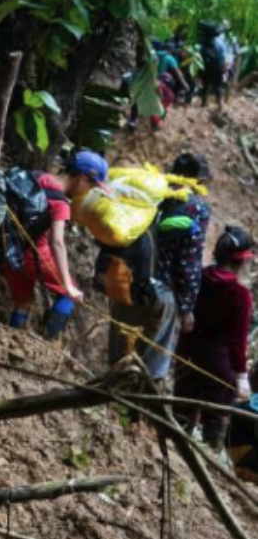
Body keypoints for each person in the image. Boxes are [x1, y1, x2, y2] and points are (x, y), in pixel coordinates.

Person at [72, 150, 179, 383]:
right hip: (144, 291)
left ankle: (119, 389)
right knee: (144, 353)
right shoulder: (141, 214)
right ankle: (132, 398)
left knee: (121, 345)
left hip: (123, 286)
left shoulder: (127, 216)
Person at [176, 226, 254, 454]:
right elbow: (238, 342)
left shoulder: (198, 276)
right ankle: (210, 460)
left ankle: (173, 451)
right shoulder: (240, 295)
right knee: (216, 419)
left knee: (181, 409)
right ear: (241, 261)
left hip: (186, 353)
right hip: (218, 366)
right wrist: (241, 376)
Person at [0, 160, 84, 339]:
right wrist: (67, 284)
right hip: (32, 254)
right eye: (91, 186)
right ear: (81, 179)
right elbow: (57, 242)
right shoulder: (61, 203)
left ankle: (10, 341)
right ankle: (50, 345)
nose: (89, 192)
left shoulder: (38, 176)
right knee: (69, 292)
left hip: (7, 248)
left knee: (24, 302)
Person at [155, 153, 212, 336]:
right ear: (199, 181)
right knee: (152, 362)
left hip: (129, 282)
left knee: (119, 355)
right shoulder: (195, 208)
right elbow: (189, 262)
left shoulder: (153, 193)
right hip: (161, 294)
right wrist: (187, 307)